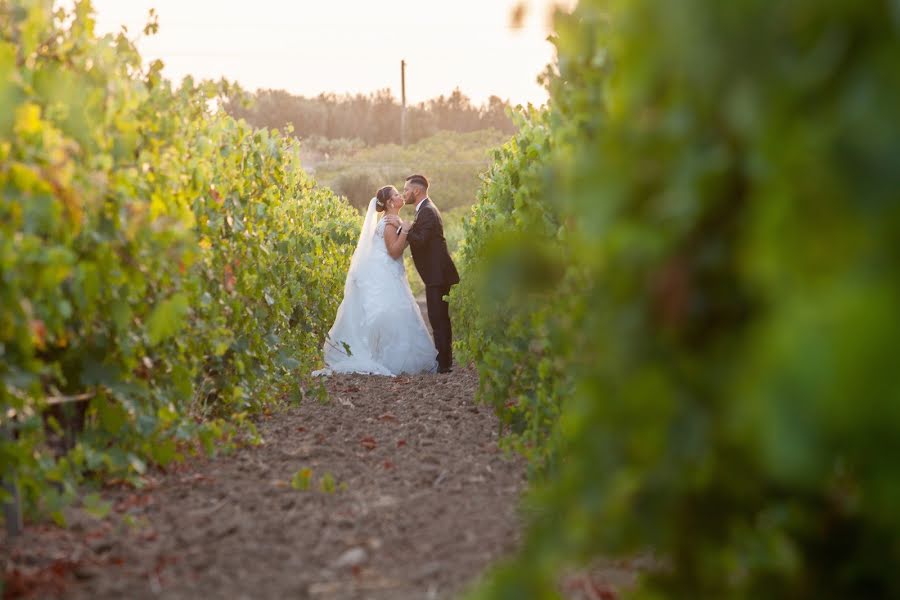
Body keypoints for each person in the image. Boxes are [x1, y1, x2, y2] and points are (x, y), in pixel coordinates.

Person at [314, 185, 437, 376]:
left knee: (394, 311)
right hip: (385, 272)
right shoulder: (388, 223)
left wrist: (405, 229)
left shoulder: (392, 221)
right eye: (396, 195)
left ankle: (393, 355)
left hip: (389, 270)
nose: (400, 196)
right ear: (389, 203)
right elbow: (394, 252)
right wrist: (404, 230)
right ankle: (387, 358)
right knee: (389, 312)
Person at [385, 175, 460, 373]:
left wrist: (402, 225)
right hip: (436, 274)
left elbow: (420, 240)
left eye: (406, 189)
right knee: (438, 318)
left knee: (438, 318)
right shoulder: (425, 210)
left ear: (416, 191)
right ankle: (444, 362)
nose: (404, 193)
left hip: (438, 274)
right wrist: (405, 227)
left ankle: (444, 365)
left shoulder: (427, 211)